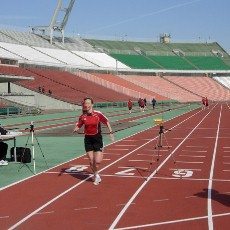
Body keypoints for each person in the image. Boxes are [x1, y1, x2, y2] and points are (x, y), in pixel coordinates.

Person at [73, 97, 114, 185]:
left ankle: (102, 148)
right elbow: (79, 124)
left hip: (97, 139)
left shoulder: (98, 114)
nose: (86, 105)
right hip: (88, 140)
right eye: (85, 103)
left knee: (97, 161)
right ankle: (96, 176)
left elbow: (106, 122)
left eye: (88, 103)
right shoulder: (83, 116)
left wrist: (110, 132)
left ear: (92, 105)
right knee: (91, 161)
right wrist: (76, 128)